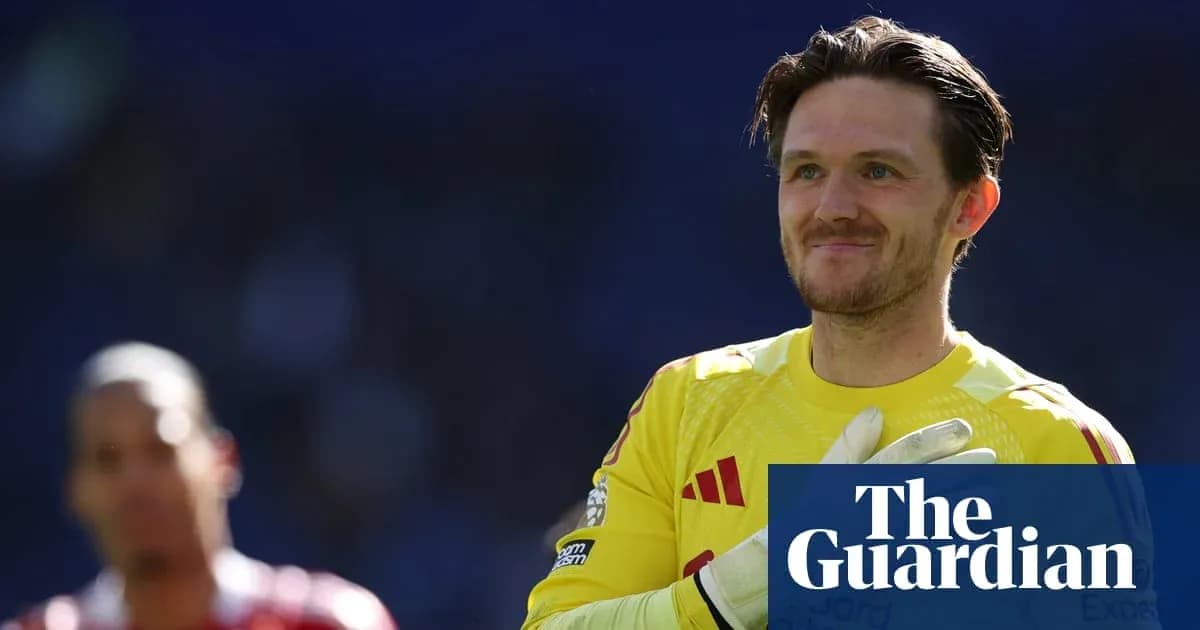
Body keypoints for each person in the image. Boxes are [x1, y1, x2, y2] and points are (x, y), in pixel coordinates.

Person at [522, 16, 1138, 630]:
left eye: (878, 171)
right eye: (807, 171)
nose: (833, 208)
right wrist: (730, 593)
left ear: (969, 206)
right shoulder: (685, 404)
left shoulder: (1054, 444)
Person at [4, 342, 397, 630]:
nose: (133, 482)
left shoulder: (326, 624)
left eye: (161, 451)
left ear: (222, 460)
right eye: (108, 460)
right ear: (77, 489)